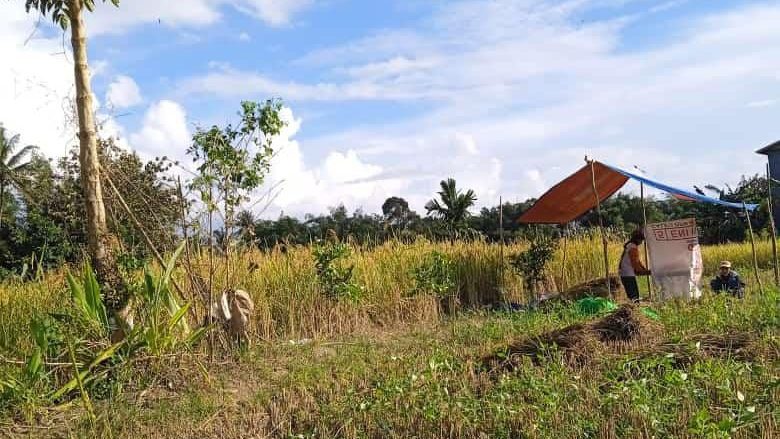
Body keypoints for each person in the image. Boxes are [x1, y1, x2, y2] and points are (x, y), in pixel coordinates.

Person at [619, 229, 651, 302]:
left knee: (633, 296)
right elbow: (635, 263)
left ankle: (634, 309)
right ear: (637, 239)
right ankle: (634, 310)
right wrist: (644, 271)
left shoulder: (630, 246)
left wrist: (644, 269)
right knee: (634, 297)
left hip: (625, 273)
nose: (641, 242)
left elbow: (638, 261)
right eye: (641, 240)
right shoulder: (632, 247)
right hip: (628, 274)